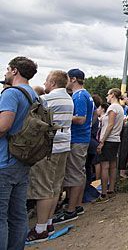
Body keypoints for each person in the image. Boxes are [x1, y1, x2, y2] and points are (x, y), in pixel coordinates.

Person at [25, 70, 73, 243]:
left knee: (43, 188)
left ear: (52, 82)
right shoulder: (68, 98)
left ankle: (40, 229)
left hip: (49, 148)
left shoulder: (47, 99)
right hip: (63, 145)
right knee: (55, 186)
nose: (44, 84)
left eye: (46, 81)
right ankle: (49, 223)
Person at [0, 57, 39, 249]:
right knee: (18, 214)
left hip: (4, 160)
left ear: (15, 71)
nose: (5, 73)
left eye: (7, 69)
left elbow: (3, 126)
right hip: (23, 159)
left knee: (1, 217)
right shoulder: (34, 95)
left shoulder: (11, 94)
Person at [53, 68, 93, 224]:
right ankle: (76, 205)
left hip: (78, 138)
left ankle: (71, 210)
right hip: (81, 138)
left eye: (68, 78)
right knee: (78, 173)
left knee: (75, 173)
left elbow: (81, 119)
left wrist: (62, 116)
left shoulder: (80, 96)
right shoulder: (85, 94)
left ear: (74, 79)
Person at [94, 88, 124, 203]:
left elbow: (110, 125)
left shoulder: (112, 108)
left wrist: (102, 141)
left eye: (108, 94)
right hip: (116, 139)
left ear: (112, 95)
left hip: (109, 140)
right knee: (112, 165)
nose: (107, 96)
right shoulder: (120, 108)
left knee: (105, 166)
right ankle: (111, 189)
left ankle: (104, 193)